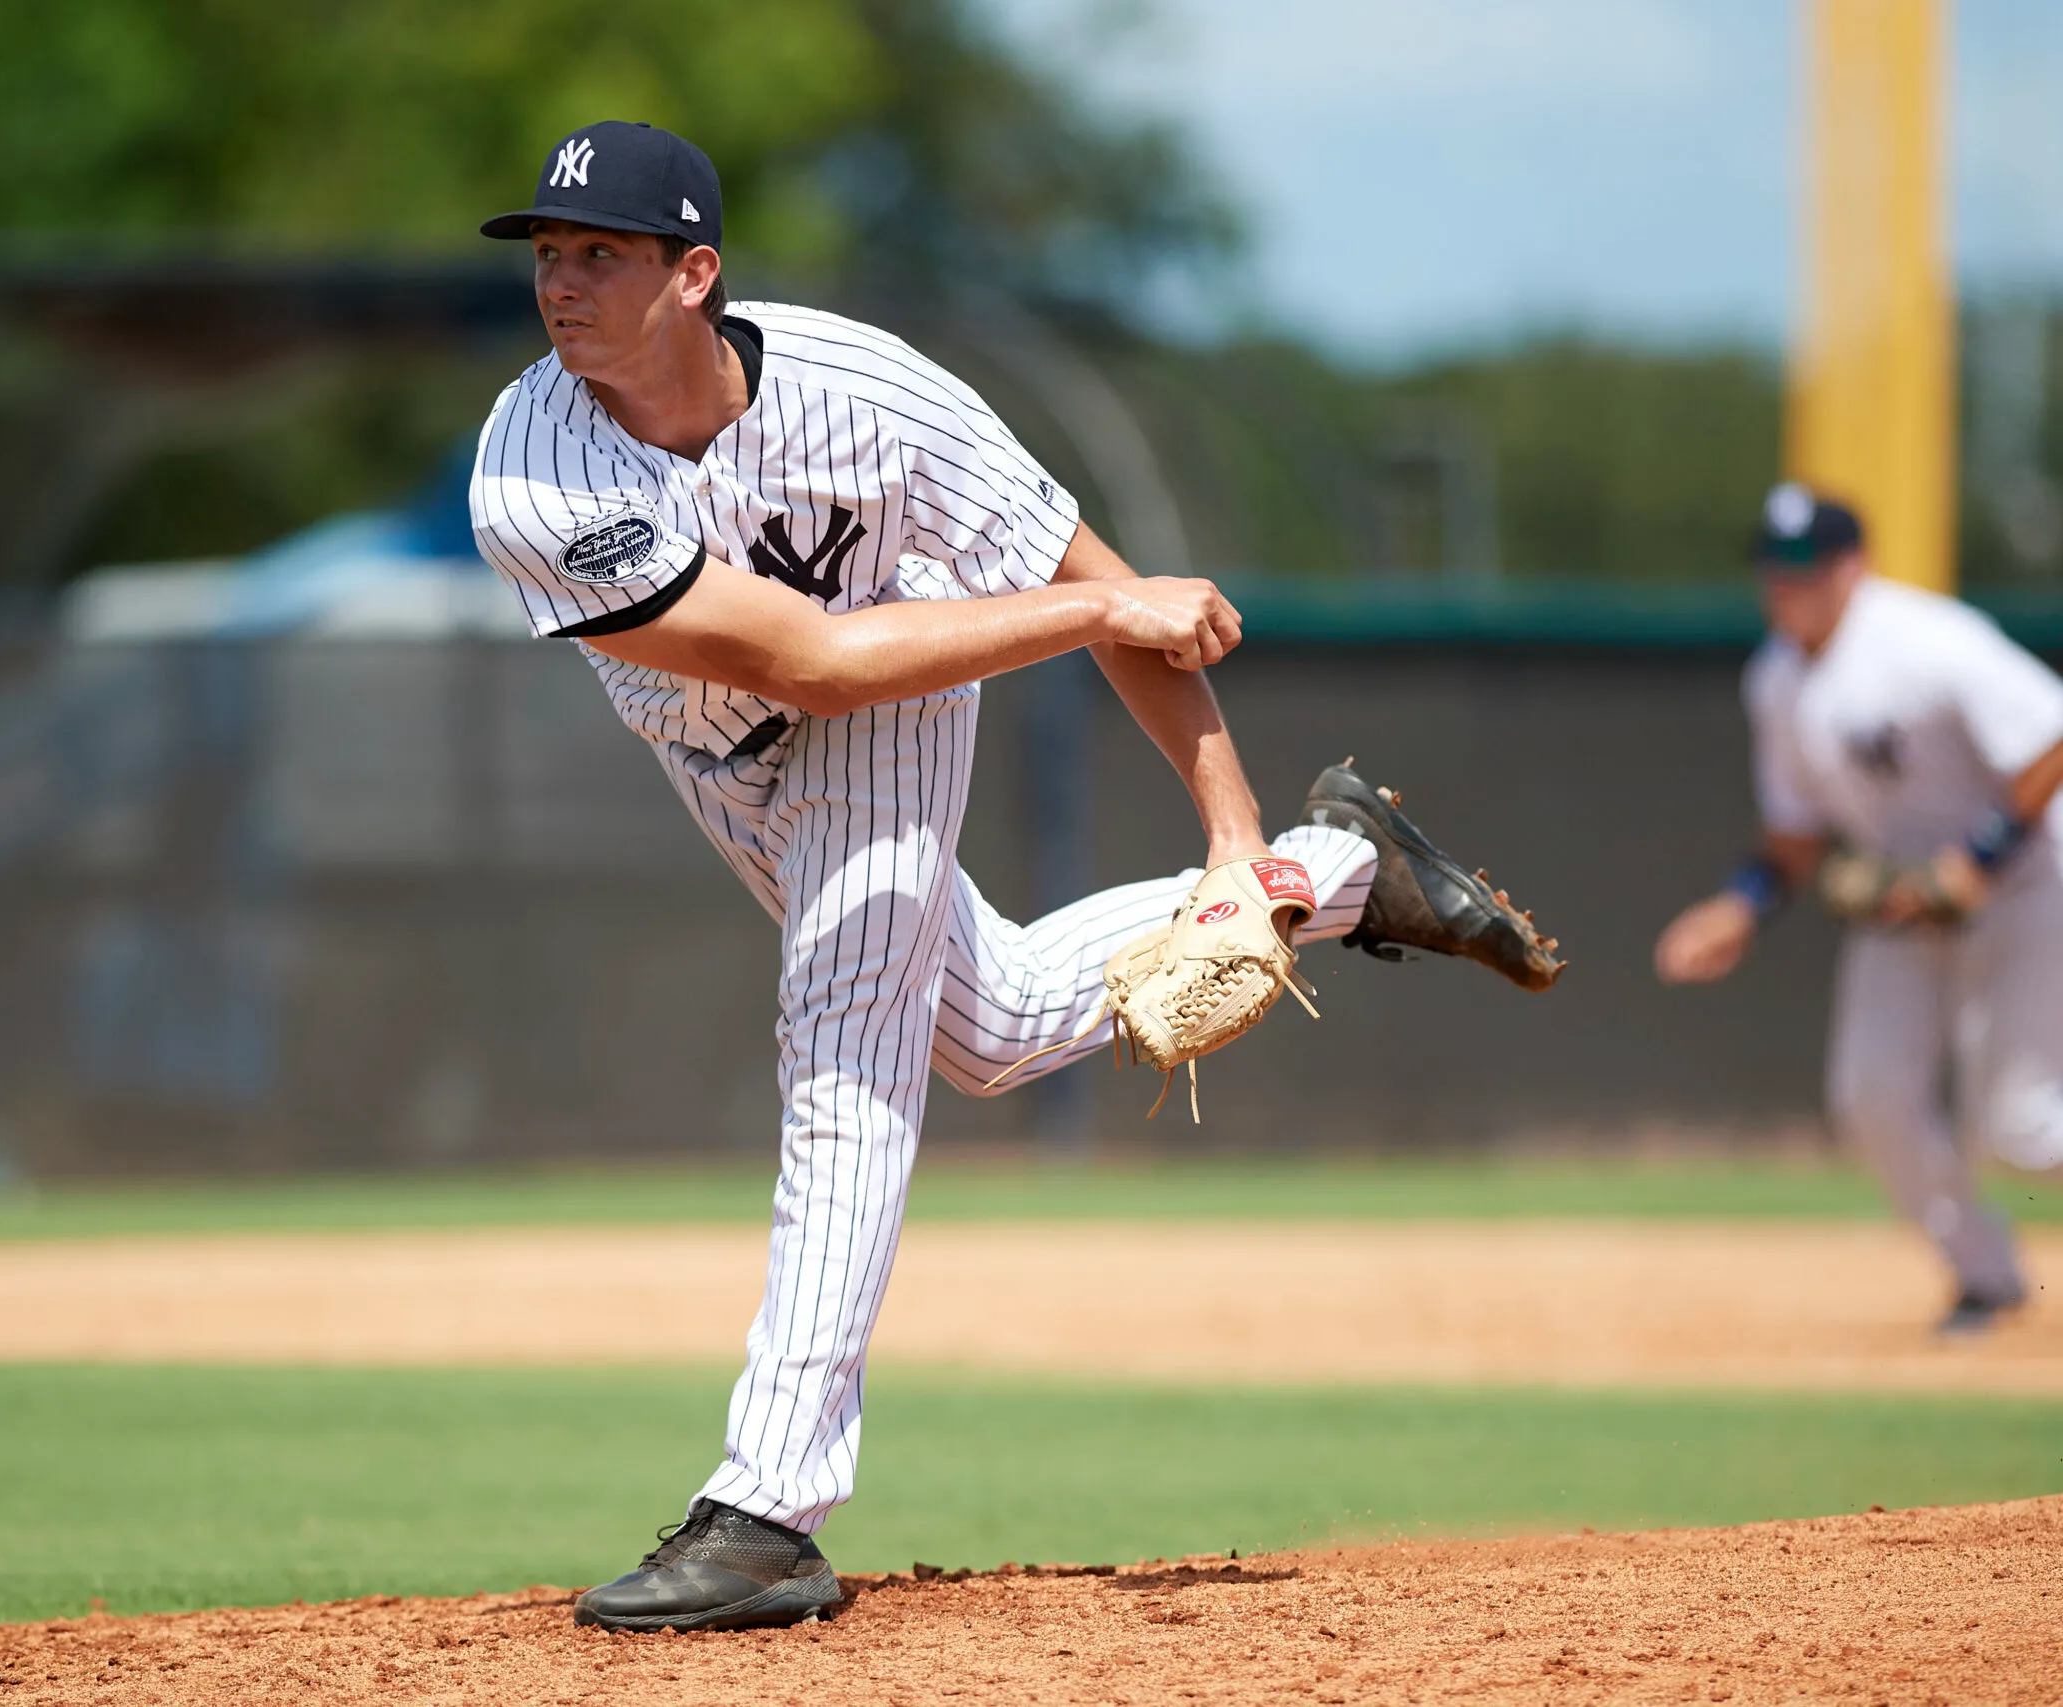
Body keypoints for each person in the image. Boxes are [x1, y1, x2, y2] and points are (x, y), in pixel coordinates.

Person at [467, 120, 1559, 1632]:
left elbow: (1107, 595)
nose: (561, 283)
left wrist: (1229, 831)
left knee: (844, 1027)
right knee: (981, 1034)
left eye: (600, 252)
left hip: (896, 691)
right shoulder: (531, 465)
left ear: (695, 272)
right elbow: (819, 659)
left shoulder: (881, 396)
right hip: (743, 746)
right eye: (546, 253)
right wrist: (1111, 637)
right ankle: (1351, 861)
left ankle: (770, 1506)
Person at [1656, 483, 2063, 1336]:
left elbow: (2050, 736)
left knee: (2023, 1132)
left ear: (1855, 566)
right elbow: (1795, 833)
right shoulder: (1775, 678)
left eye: (1807, 565)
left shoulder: (1926, 641)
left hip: (2027, 882)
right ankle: (1986, 1278)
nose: (1787, 583)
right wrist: (1742, 905)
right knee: (1872, 1096)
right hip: (1904, 902)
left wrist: (1978, 859)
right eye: (1775, 566)